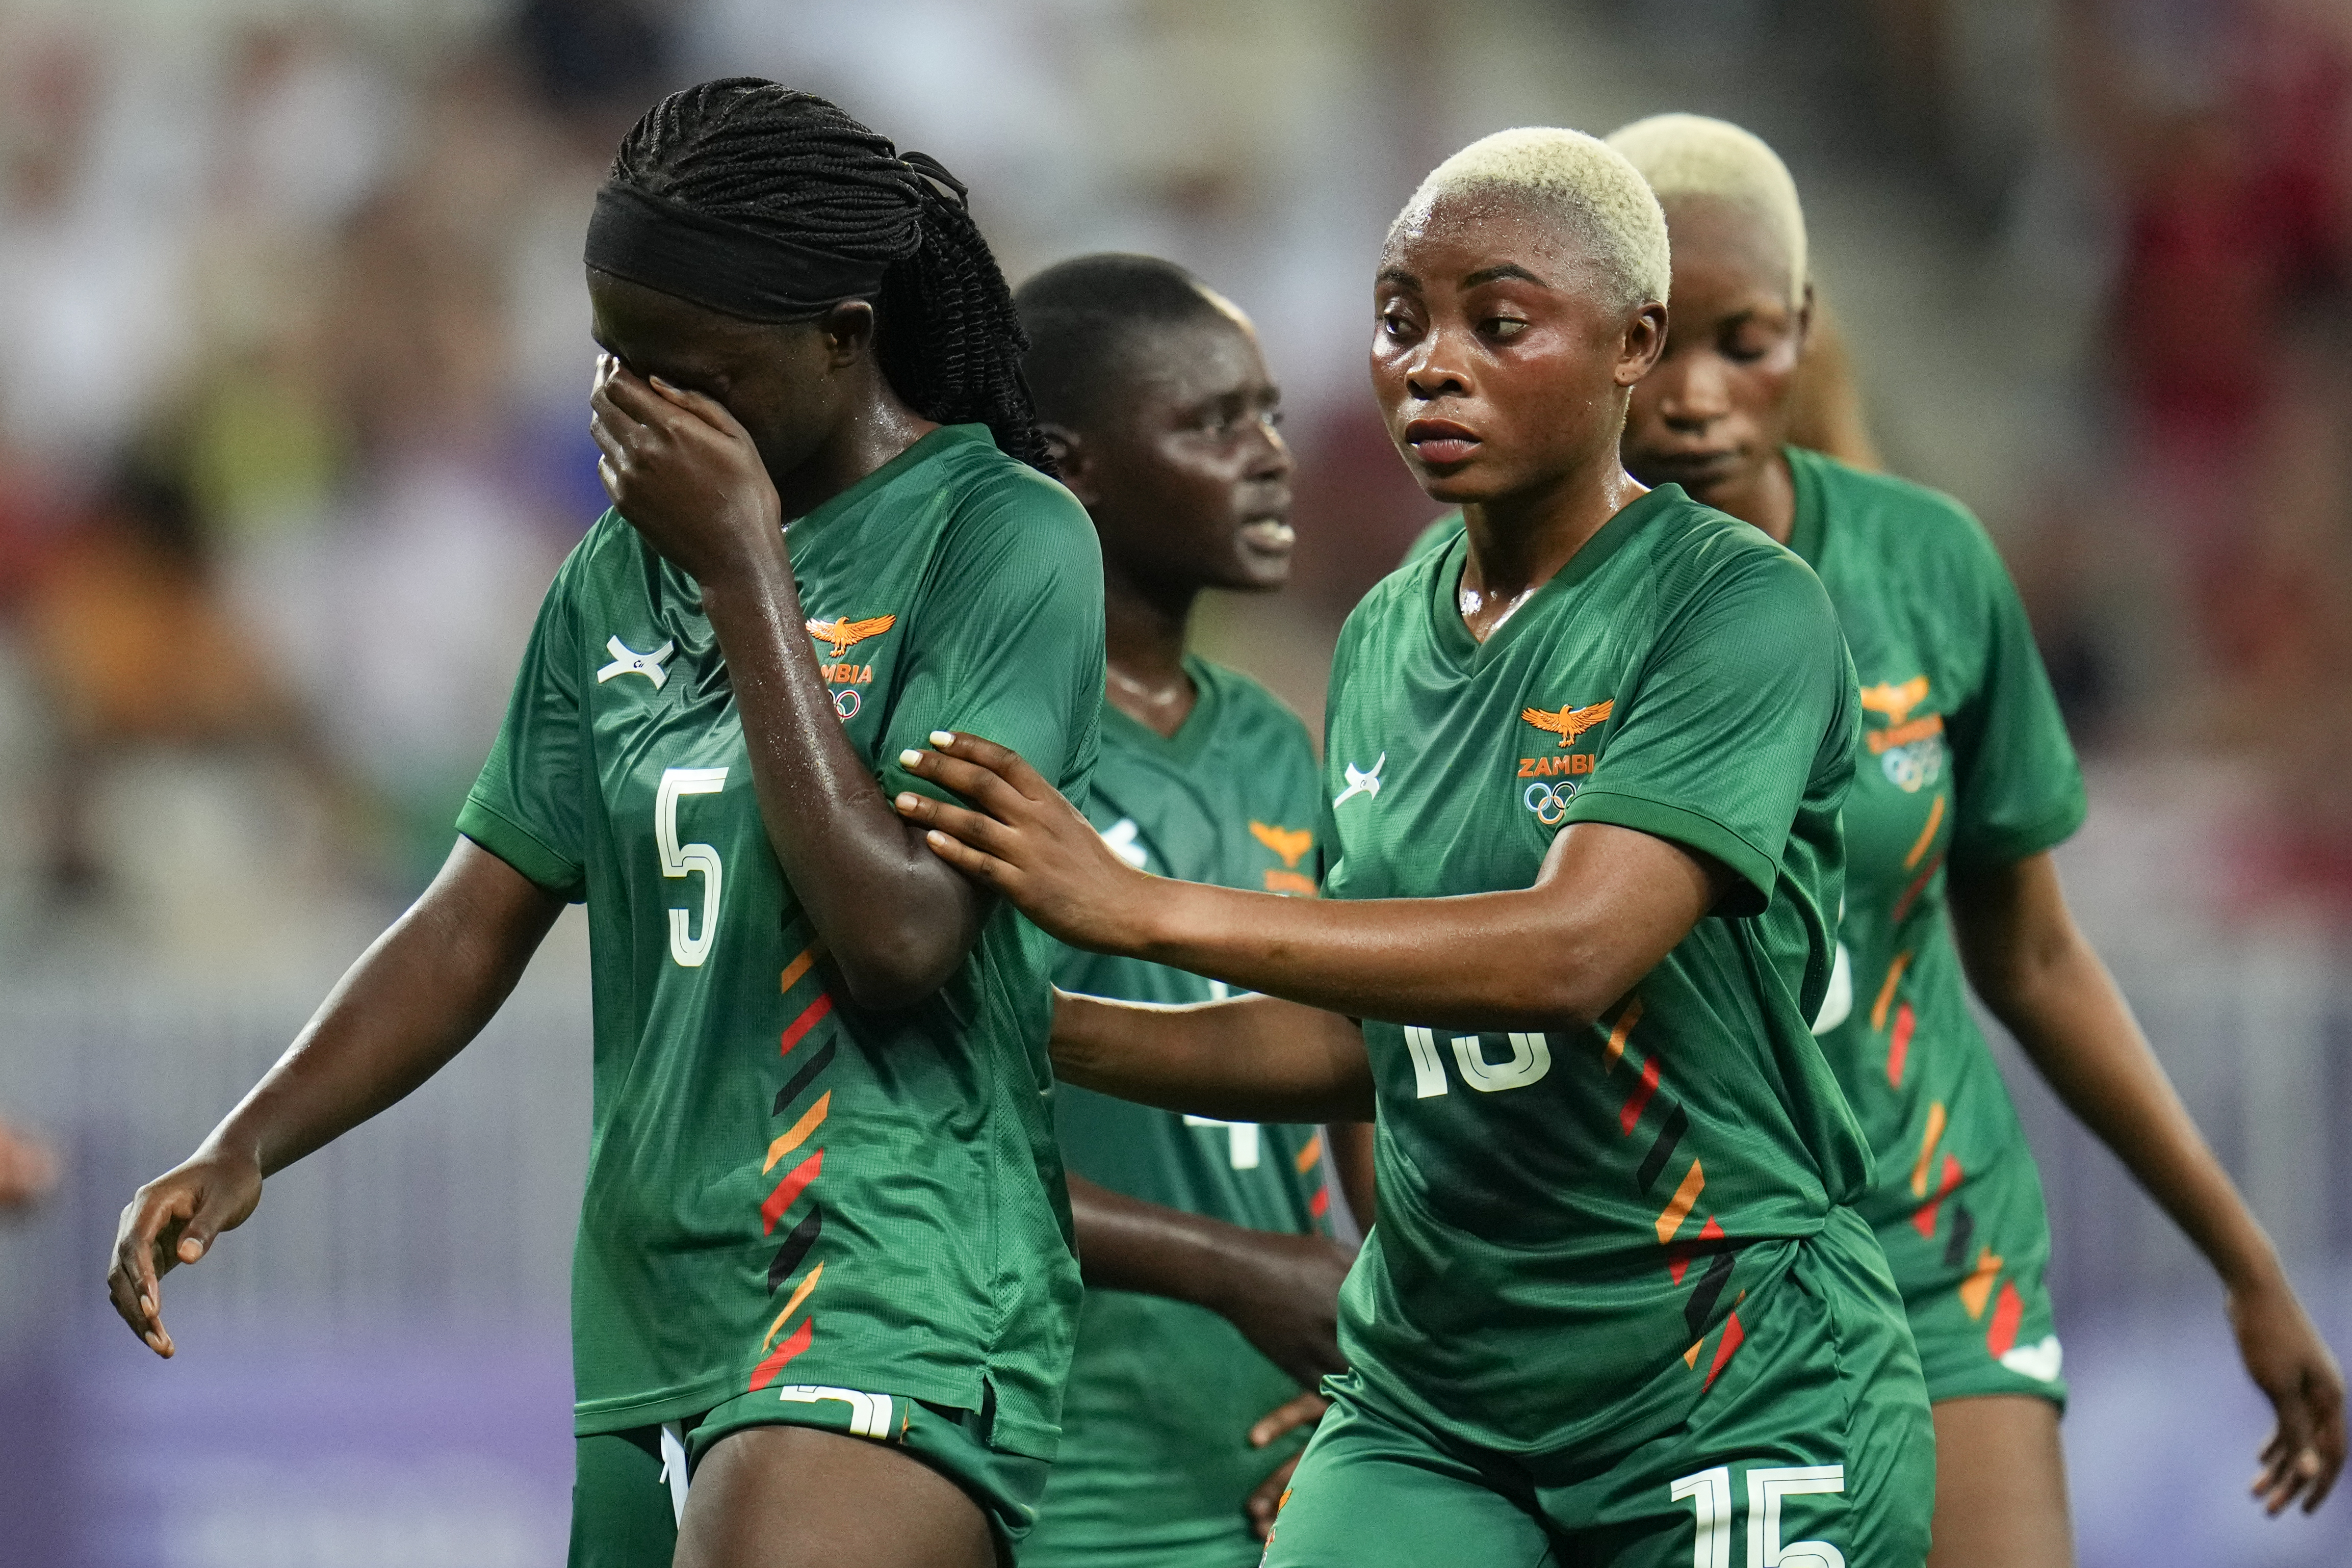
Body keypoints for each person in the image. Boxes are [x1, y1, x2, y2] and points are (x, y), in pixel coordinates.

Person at [892, 127, 1934, 1567]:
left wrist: (1134, 911)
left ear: (1633, 342)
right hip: (1435, 1391)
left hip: (1716, 1357)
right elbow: (1368, 1036)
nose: (1429, 363)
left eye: (1495, 324)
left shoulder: (1735, 609)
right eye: (1399, 321)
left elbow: (1569, 951)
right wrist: (1034, 1027)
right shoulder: (1387, 627)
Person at [106, 80, 1106, 1568]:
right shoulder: (609, 575)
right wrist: (250, 1138)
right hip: (652, 1305)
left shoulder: (1001, 538)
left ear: (841, 334)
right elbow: (475, 907)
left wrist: (745, 575)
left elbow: (903, 931)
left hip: (886, 1273)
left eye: (690, 371)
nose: (634, 411)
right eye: (613, 360)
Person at [1609, 112, 2346, 1564]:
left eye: (1742, 335)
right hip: (1673, 1261)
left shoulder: (1921, 575)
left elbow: (2040, 955)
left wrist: (2236, 1256)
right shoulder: (1499, 621)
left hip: (1924, 1239)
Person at [1010, 253, 1375, 1566]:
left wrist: (1396, 1379)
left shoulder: (1283, 742)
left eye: (1268, 413)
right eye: (1213, 424)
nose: (1271, 456)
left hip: (1289, 1453)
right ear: (1072, 463)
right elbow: (916, 1141)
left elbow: (1354, 1094)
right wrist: (1235, 1267)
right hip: (1068, 1474)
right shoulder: (983, 749)